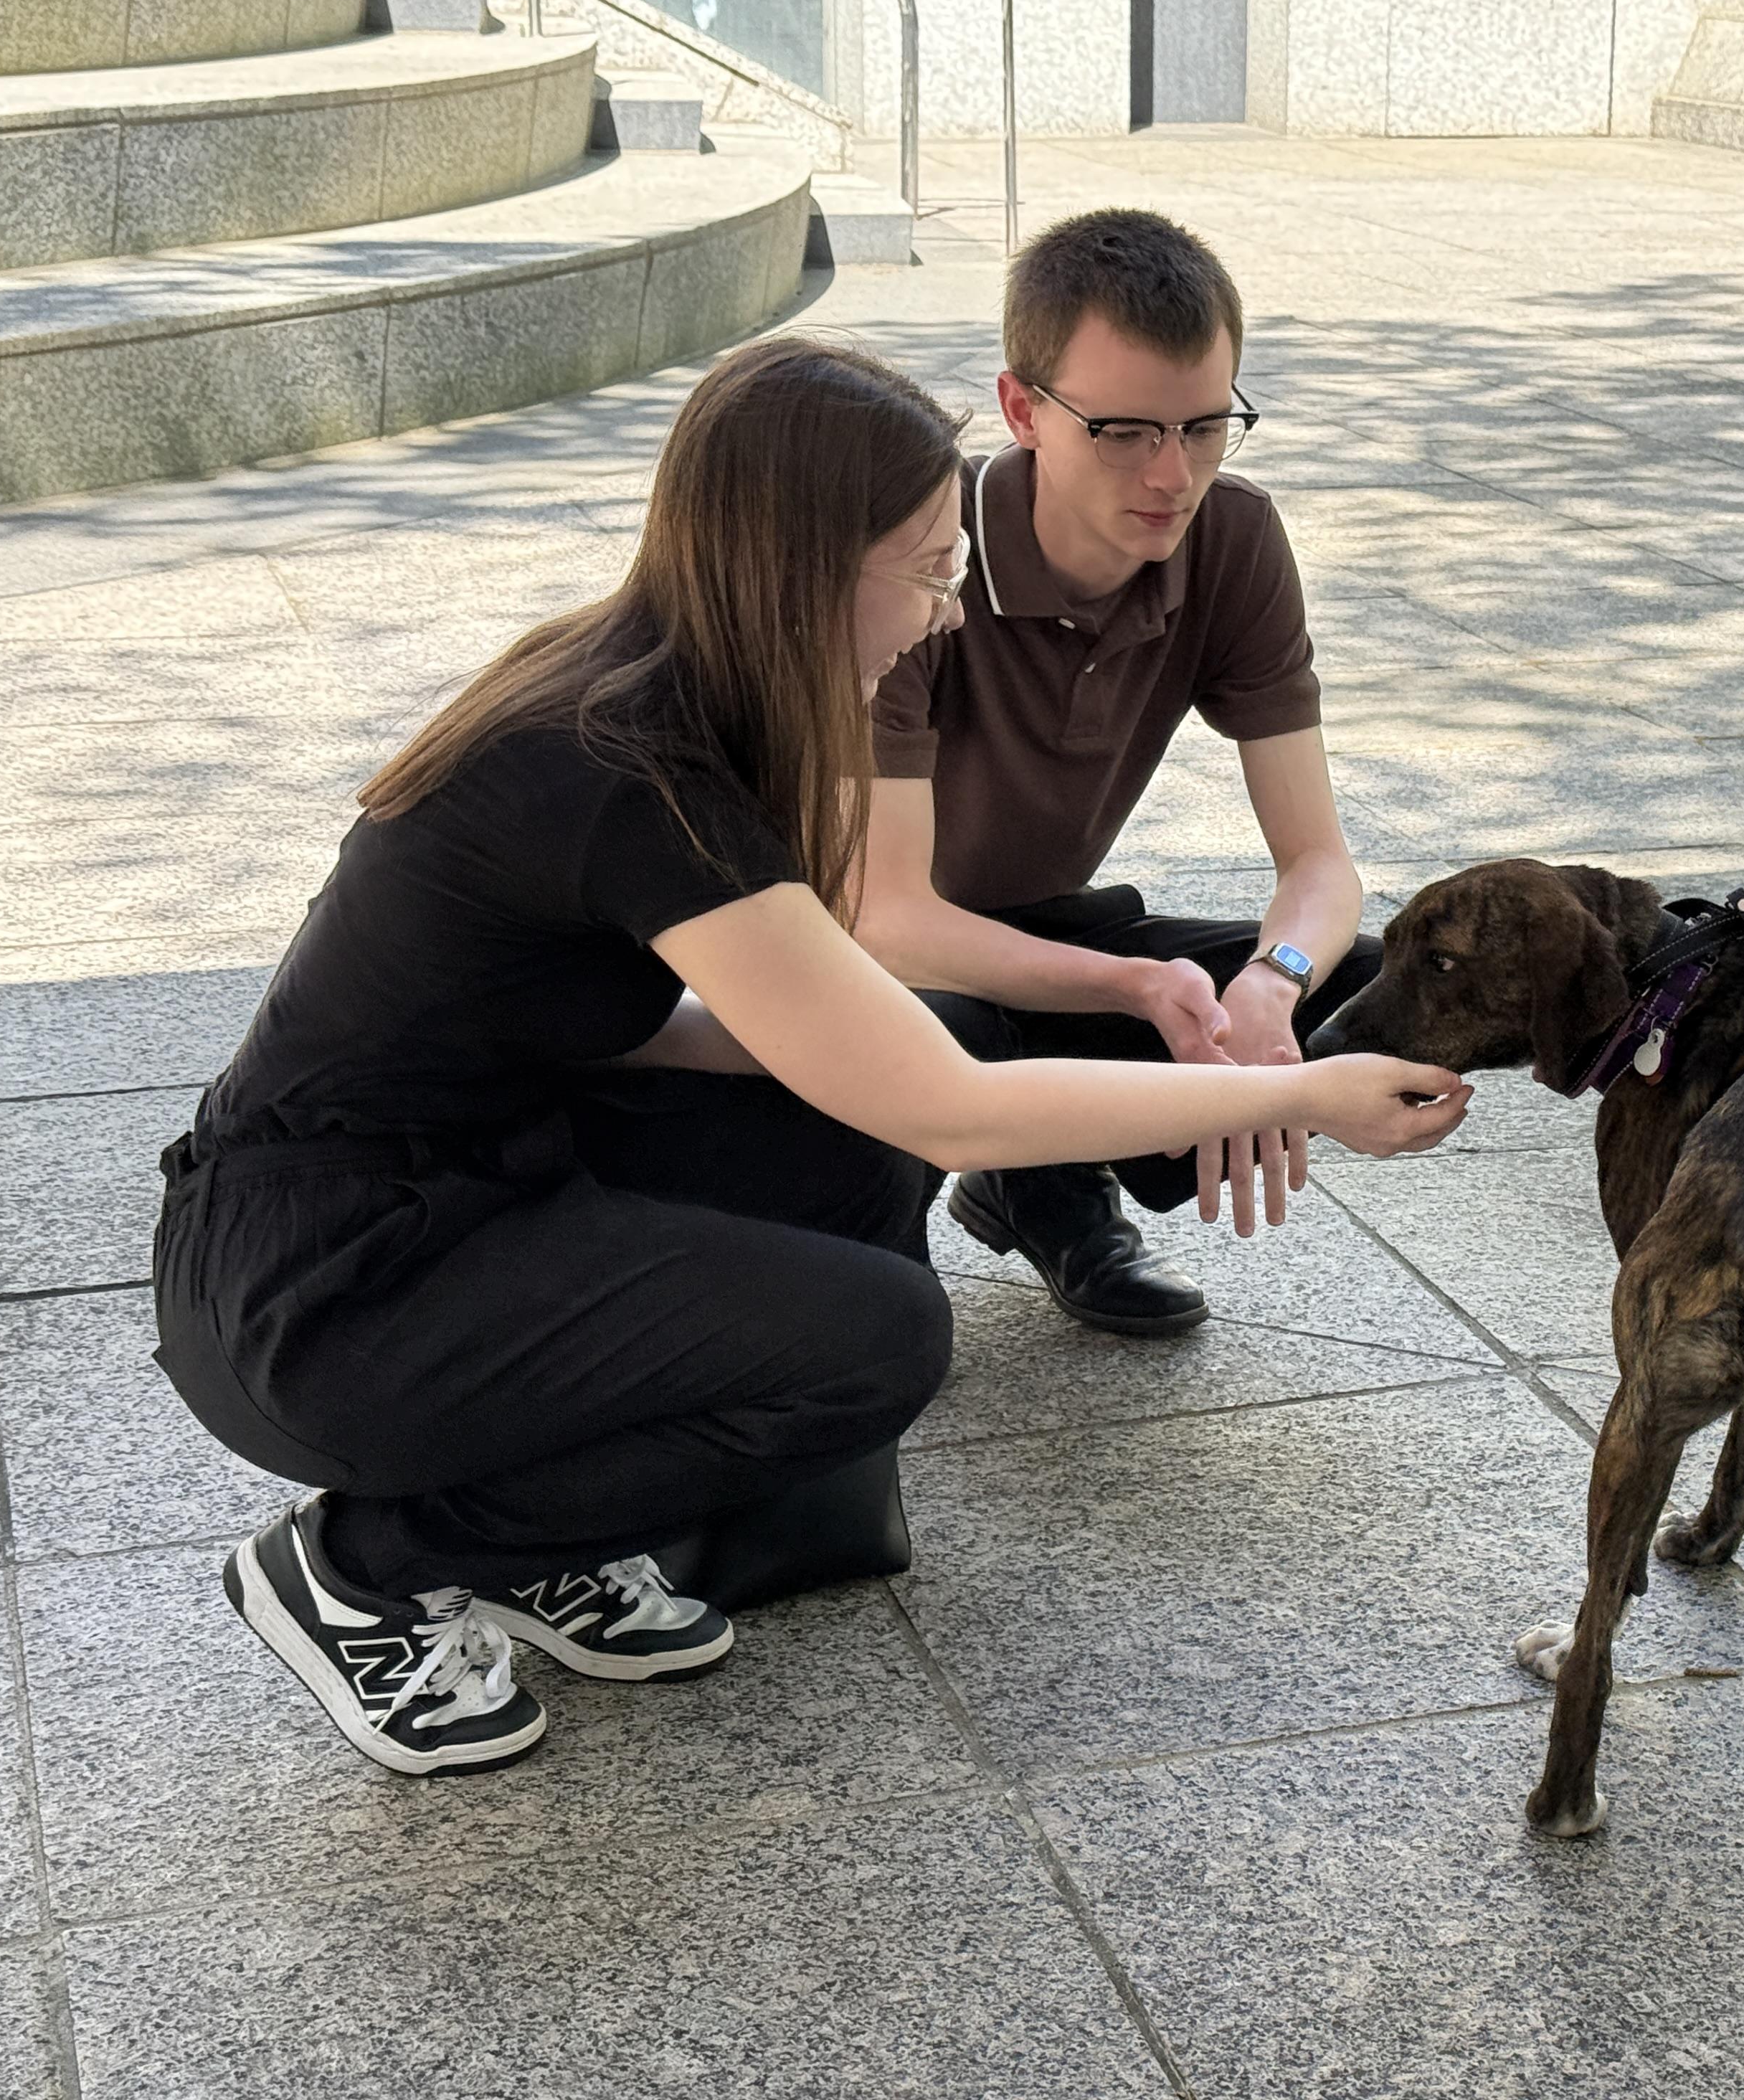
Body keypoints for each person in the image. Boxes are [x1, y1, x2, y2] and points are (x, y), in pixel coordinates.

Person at [153, 336, 1469, 1779]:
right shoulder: (621, 764)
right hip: (325, 1291)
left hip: (456, 1189)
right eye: (921, 567)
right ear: (796, 567)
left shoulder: (647, 690)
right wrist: (1301, 1090)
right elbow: (956, 1110)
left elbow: (584, 1016)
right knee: (881, 1339)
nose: (947, 608)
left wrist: (831, 1067)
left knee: (865, 1102)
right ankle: (368, 1562)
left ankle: (539, 1546)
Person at [856, 209, 1377, 1337]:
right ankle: (966, 1195)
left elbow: (1322, 864)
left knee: (1382, 988)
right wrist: (1139, 987)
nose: (1172, 474)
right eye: (1127, 431)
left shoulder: (1231, 539)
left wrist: (1273, 984)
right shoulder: (918, 551)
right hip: (870, 961)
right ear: (1021, 409)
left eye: (1204, 427)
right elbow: (886, 920)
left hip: (1044, 929)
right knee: (884, 1323)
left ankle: (1038, 1179)